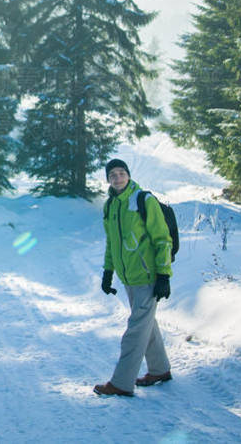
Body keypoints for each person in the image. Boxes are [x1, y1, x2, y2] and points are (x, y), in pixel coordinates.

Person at [93, 158, 173, 397]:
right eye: (112, 175)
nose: (117, 178)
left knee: (135, 331)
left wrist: (163, 275)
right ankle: (159, 370)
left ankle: (121, 382)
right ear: (108, 179)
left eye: (121, 173)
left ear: (128, 175)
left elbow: (162, 240)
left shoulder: (143, 201)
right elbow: (112, 244)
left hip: (148, 276)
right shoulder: (110, 206)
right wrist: (108, 272)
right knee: (146, 323)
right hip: (129, 278)